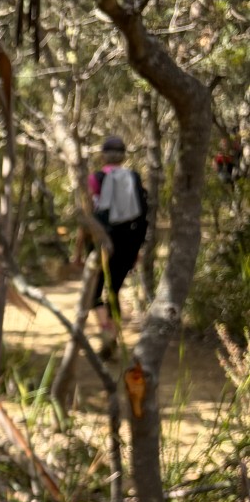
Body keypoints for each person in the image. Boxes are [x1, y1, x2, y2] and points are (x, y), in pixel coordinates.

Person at [87, 135, 147, 350]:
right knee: (114, 291)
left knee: (94, 292)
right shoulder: (134, 178)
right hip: (128, 243)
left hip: (102, 243)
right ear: (123, 156)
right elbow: (142, 215)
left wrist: (80, 249)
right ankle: (113, 334)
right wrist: (138, 248)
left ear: (103, 156)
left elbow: (88, 214)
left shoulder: (95, 179)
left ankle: (106, 332)